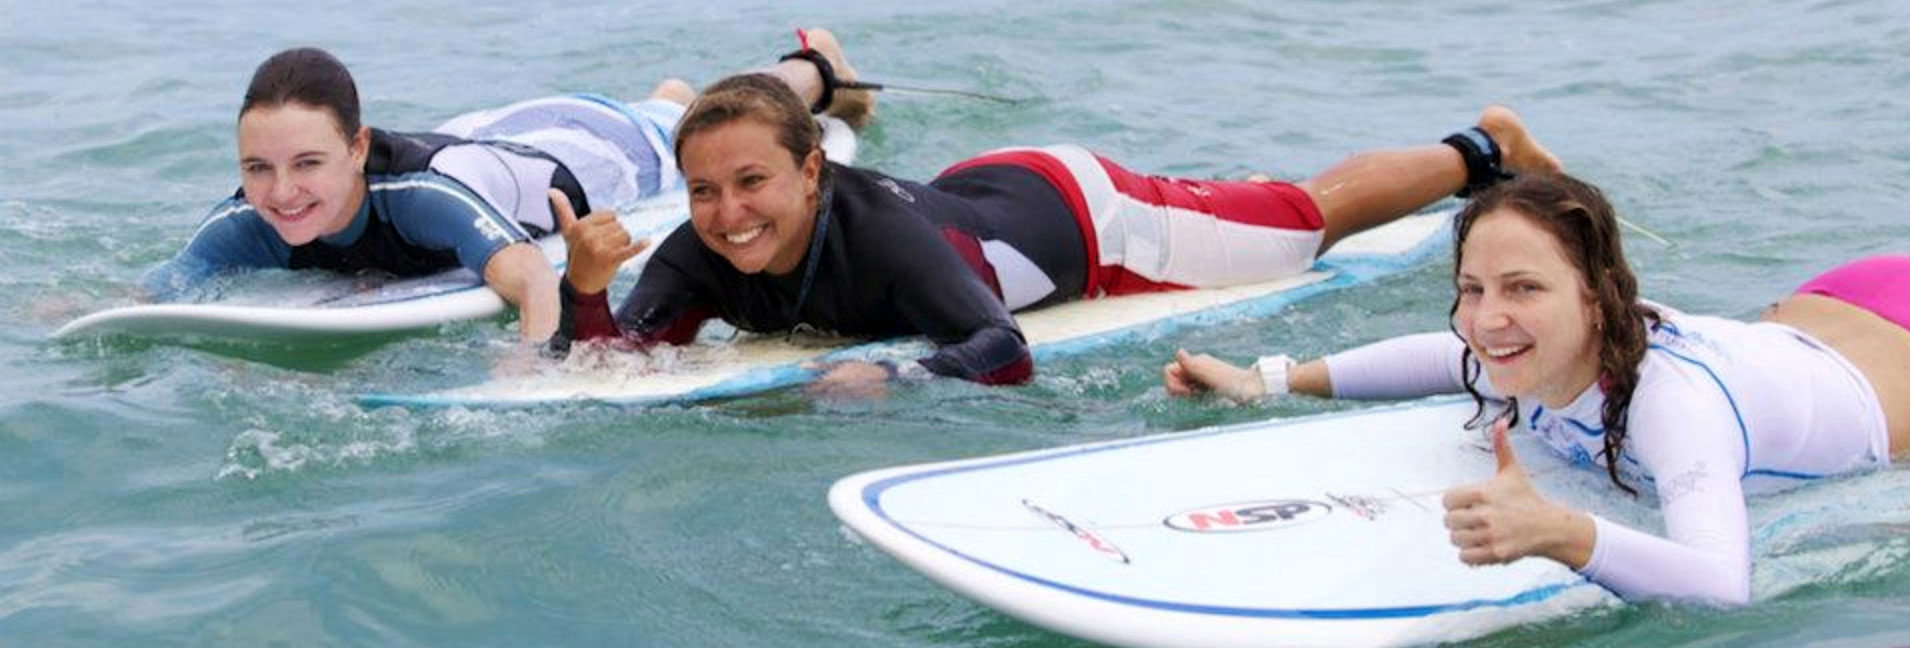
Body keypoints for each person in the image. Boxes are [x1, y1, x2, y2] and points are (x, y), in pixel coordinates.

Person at [551, 30, 1564, 391]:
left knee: (1302, 220)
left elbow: (1002, 348)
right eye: (704, 189)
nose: (727, 214)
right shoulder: (694, 250)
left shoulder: (889, 245)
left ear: (813, 170)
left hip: (1086, 214)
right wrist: (585, 291)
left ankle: (1479, 150)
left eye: (753, 182)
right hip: (979, 192)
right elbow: (610, 364)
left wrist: (896, 377)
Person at [1163, 172, 1910, 605]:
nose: (1488, 319)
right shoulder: (1522, 344)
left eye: (1523, 288)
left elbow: (1723, 583)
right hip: (1828, 302)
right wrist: (1268, 382)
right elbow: (1442, 354)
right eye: (1472, 288)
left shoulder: (1672, 411)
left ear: (1596, 296)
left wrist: (1562, 532)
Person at [142, 38, 873, 341]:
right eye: (257, 169)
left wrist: (525, 366)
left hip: (580, 149)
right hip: (482, 137)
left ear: (356, 149)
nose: (280, 192)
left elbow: (530, 277)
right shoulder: (248, 217)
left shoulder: (419, 199)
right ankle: (661, 94)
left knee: (713, 122)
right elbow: (166, 289)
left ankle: (813, 67)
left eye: (307, 164)